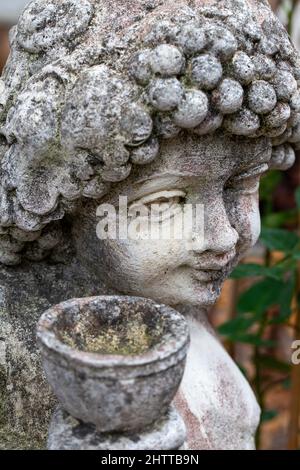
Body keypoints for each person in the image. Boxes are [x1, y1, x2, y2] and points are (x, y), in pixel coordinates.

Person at [0, 0, 299, 449]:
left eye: (242, 186)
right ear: (64, 203)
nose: (225, 236)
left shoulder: (166, 304)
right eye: (167, 202)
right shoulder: (17, 359)